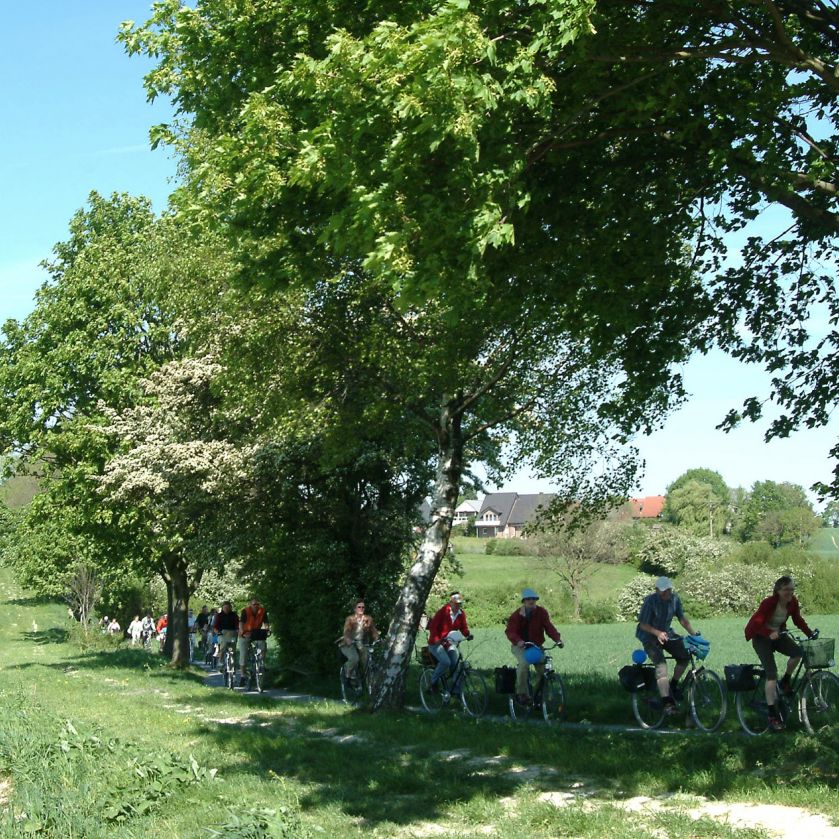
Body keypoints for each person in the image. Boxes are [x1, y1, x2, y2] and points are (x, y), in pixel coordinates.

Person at [745, 575, 814, 731]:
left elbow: (798, 620)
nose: (789, 592)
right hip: (761, 637)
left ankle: (785, 681)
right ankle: (772, 713)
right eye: (786, 590)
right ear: (778, 590)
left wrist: (810, 634)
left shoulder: (793, 602)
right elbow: (755, 624)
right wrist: (768, 632)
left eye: (792, 589)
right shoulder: (769, 603)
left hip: (778, 635)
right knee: (771, 674)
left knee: (798, 653)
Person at [636, 576, 699, 714]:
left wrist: (694, 634)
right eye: (663, 591)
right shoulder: (650, 601)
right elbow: (643, 625)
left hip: (666, 634)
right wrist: (657, 633)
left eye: (668, 590)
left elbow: (682, 619)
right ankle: (667, 703)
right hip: (649, 636)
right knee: (661, 666)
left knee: (684, 655)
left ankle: (673, 686)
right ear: (657, 590)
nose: (666, 594)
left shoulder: (674, 599)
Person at [506, 587, 562, 706]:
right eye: (528, 599)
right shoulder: (517, 615)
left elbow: (549, 627)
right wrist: (518, 641)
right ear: (524, 601)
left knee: (543, 669)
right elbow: (510, 631)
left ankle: (538, 696)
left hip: (536, 646)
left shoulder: (541, 612)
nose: (531, 601)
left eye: (533, 599)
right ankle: (522, 694)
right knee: (524, 664)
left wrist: (557, 639)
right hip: (520, 646)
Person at [427, 591, 472, 694]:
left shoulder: (461, 614)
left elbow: (463, 627)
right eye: (455, 603)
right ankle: (433, 683)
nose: (457, 606)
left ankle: (456, 691)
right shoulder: (442, 612)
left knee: (455, 664)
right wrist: (436, 639)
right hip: (436, 644)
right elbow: (433, 627)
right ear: (450, 603)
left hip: (449, 643)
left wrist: (467, 635)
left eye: (459, 604)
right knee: (445, 662)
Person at [338, 600, 380, 684]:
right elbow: (346, 632)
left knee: (367, 661)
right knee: (354, 658)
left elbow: (374, 631)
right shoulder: (350, 619)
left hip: (361, 644)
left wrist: (377, 639)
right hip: (348, 644)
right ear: (355, 609)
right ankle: (347, 672)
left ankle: (371, 684)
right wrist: (348, 639)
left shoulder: (368, 619)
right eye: (359, 607)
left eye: (363, 607)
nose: (361, 608)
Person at [239, 597, 270, 685]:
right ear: (250, 604)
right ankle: (242, 675)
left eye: (257, 604)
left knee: (263, 645)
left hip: (256, 633)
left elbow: (266, 622)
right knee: (244, 653)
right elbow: (241, 623)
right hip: (246, 633)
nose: (256, 606)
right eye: (254, 604)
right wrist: (242, 632)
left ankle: (261, 664)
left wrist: (267, 630)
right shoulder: (245, 611)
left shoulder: (262, 611)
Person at [214, 601, 239, 671]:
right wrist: (217, 632)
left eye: (228, 608)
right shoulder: (219, 616)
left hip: (232, 634)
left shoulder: (234, 615)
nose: (227, 609)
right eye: (225, 608)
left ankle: (233, 665)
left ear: (230, 608)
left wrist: (238, 630)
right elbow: (215, 627)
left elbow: (238, 624)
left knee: (232, 650)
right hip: (222, 634)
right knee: (223, 646)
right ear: (222, 608)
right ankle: (221, 662)